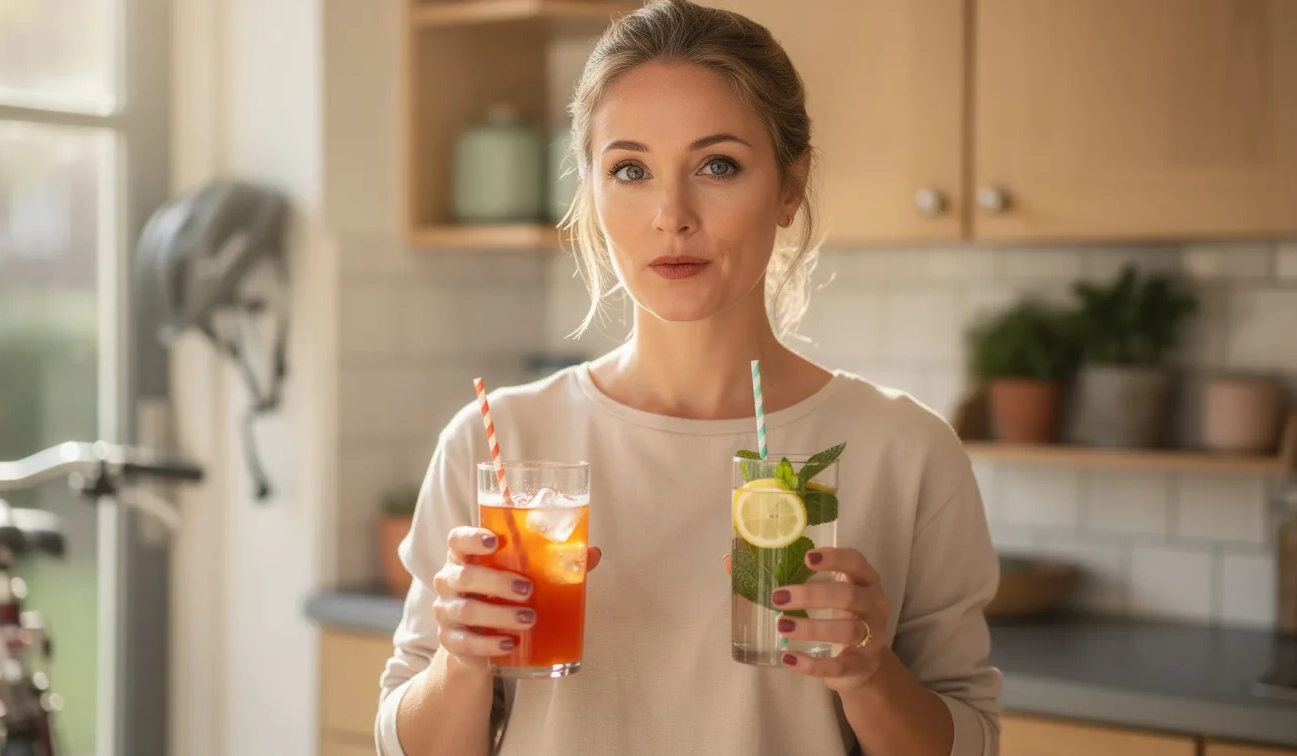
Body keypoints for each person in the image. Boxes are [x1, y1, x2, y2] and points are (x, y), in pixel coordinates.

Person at [374, 1, 1001, 754]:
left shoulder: (906, 450)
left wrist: (869, 674)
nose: (671, 215)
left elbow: (971, 743)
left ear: (790, 184)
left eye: (718, 165)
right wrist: (461, 658)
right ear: (594, 194)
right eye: (630, 170)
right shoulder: (497, 439)